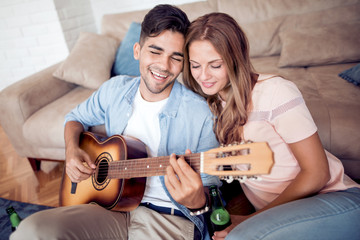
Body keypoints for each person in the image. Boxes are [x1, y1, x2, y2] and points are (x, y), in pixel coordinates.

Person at [11, 5, 220, 240]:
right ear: (137, 50)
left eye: (175, 57)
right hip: (109, 207)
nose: (164, 65)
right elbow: (75, 118)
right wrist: (72, 151)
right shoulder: (115, 89)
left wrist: (197, 200)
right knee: (30, 231)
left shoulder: (201, 114)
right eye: (155, 51)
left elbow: (212, 192)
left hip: (167, 218)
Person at [182, 12, 360, 240]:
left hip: (333, 198)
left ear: (236, 59)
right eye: (195, 65)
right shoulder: (212, 103)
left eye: (215, 65)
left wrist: (253, 219)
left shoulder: (276, 92)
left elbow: (318, 173)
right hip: (277, 215)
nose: (203, 75)